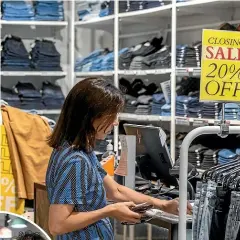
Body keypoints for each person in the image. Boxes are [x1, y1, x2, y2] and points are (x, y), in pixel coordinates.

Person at [45, 78, 192, 239]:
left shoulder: (79, 150)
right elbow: (57, 224)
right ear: (91, 116)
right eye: (112, 116)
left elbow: (115, 190)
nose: (116, 122)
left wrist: (163, 205)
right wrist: (110, 211)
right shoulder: (75, 161)